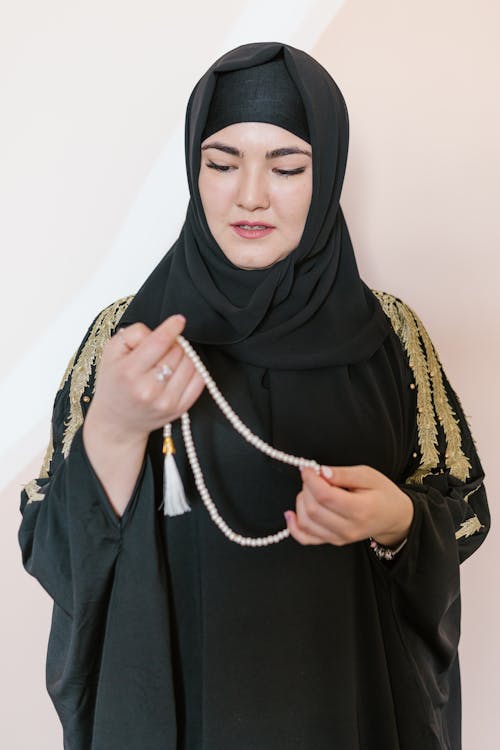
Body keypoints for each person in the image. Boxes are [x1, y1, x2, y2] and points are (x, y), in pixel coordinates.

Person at [19, 42, 489, 750]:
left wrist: (396, 519)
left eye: (288, 167)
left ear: (325, 170)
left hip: (347, 710)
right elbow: (50, 546)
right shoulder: (130, 338)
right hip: (170, 716)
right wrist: (116, 429)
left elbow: (465, 511)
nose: (250, 196)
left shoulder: (387, 333)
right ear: (193, 169)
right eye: (222, 162)